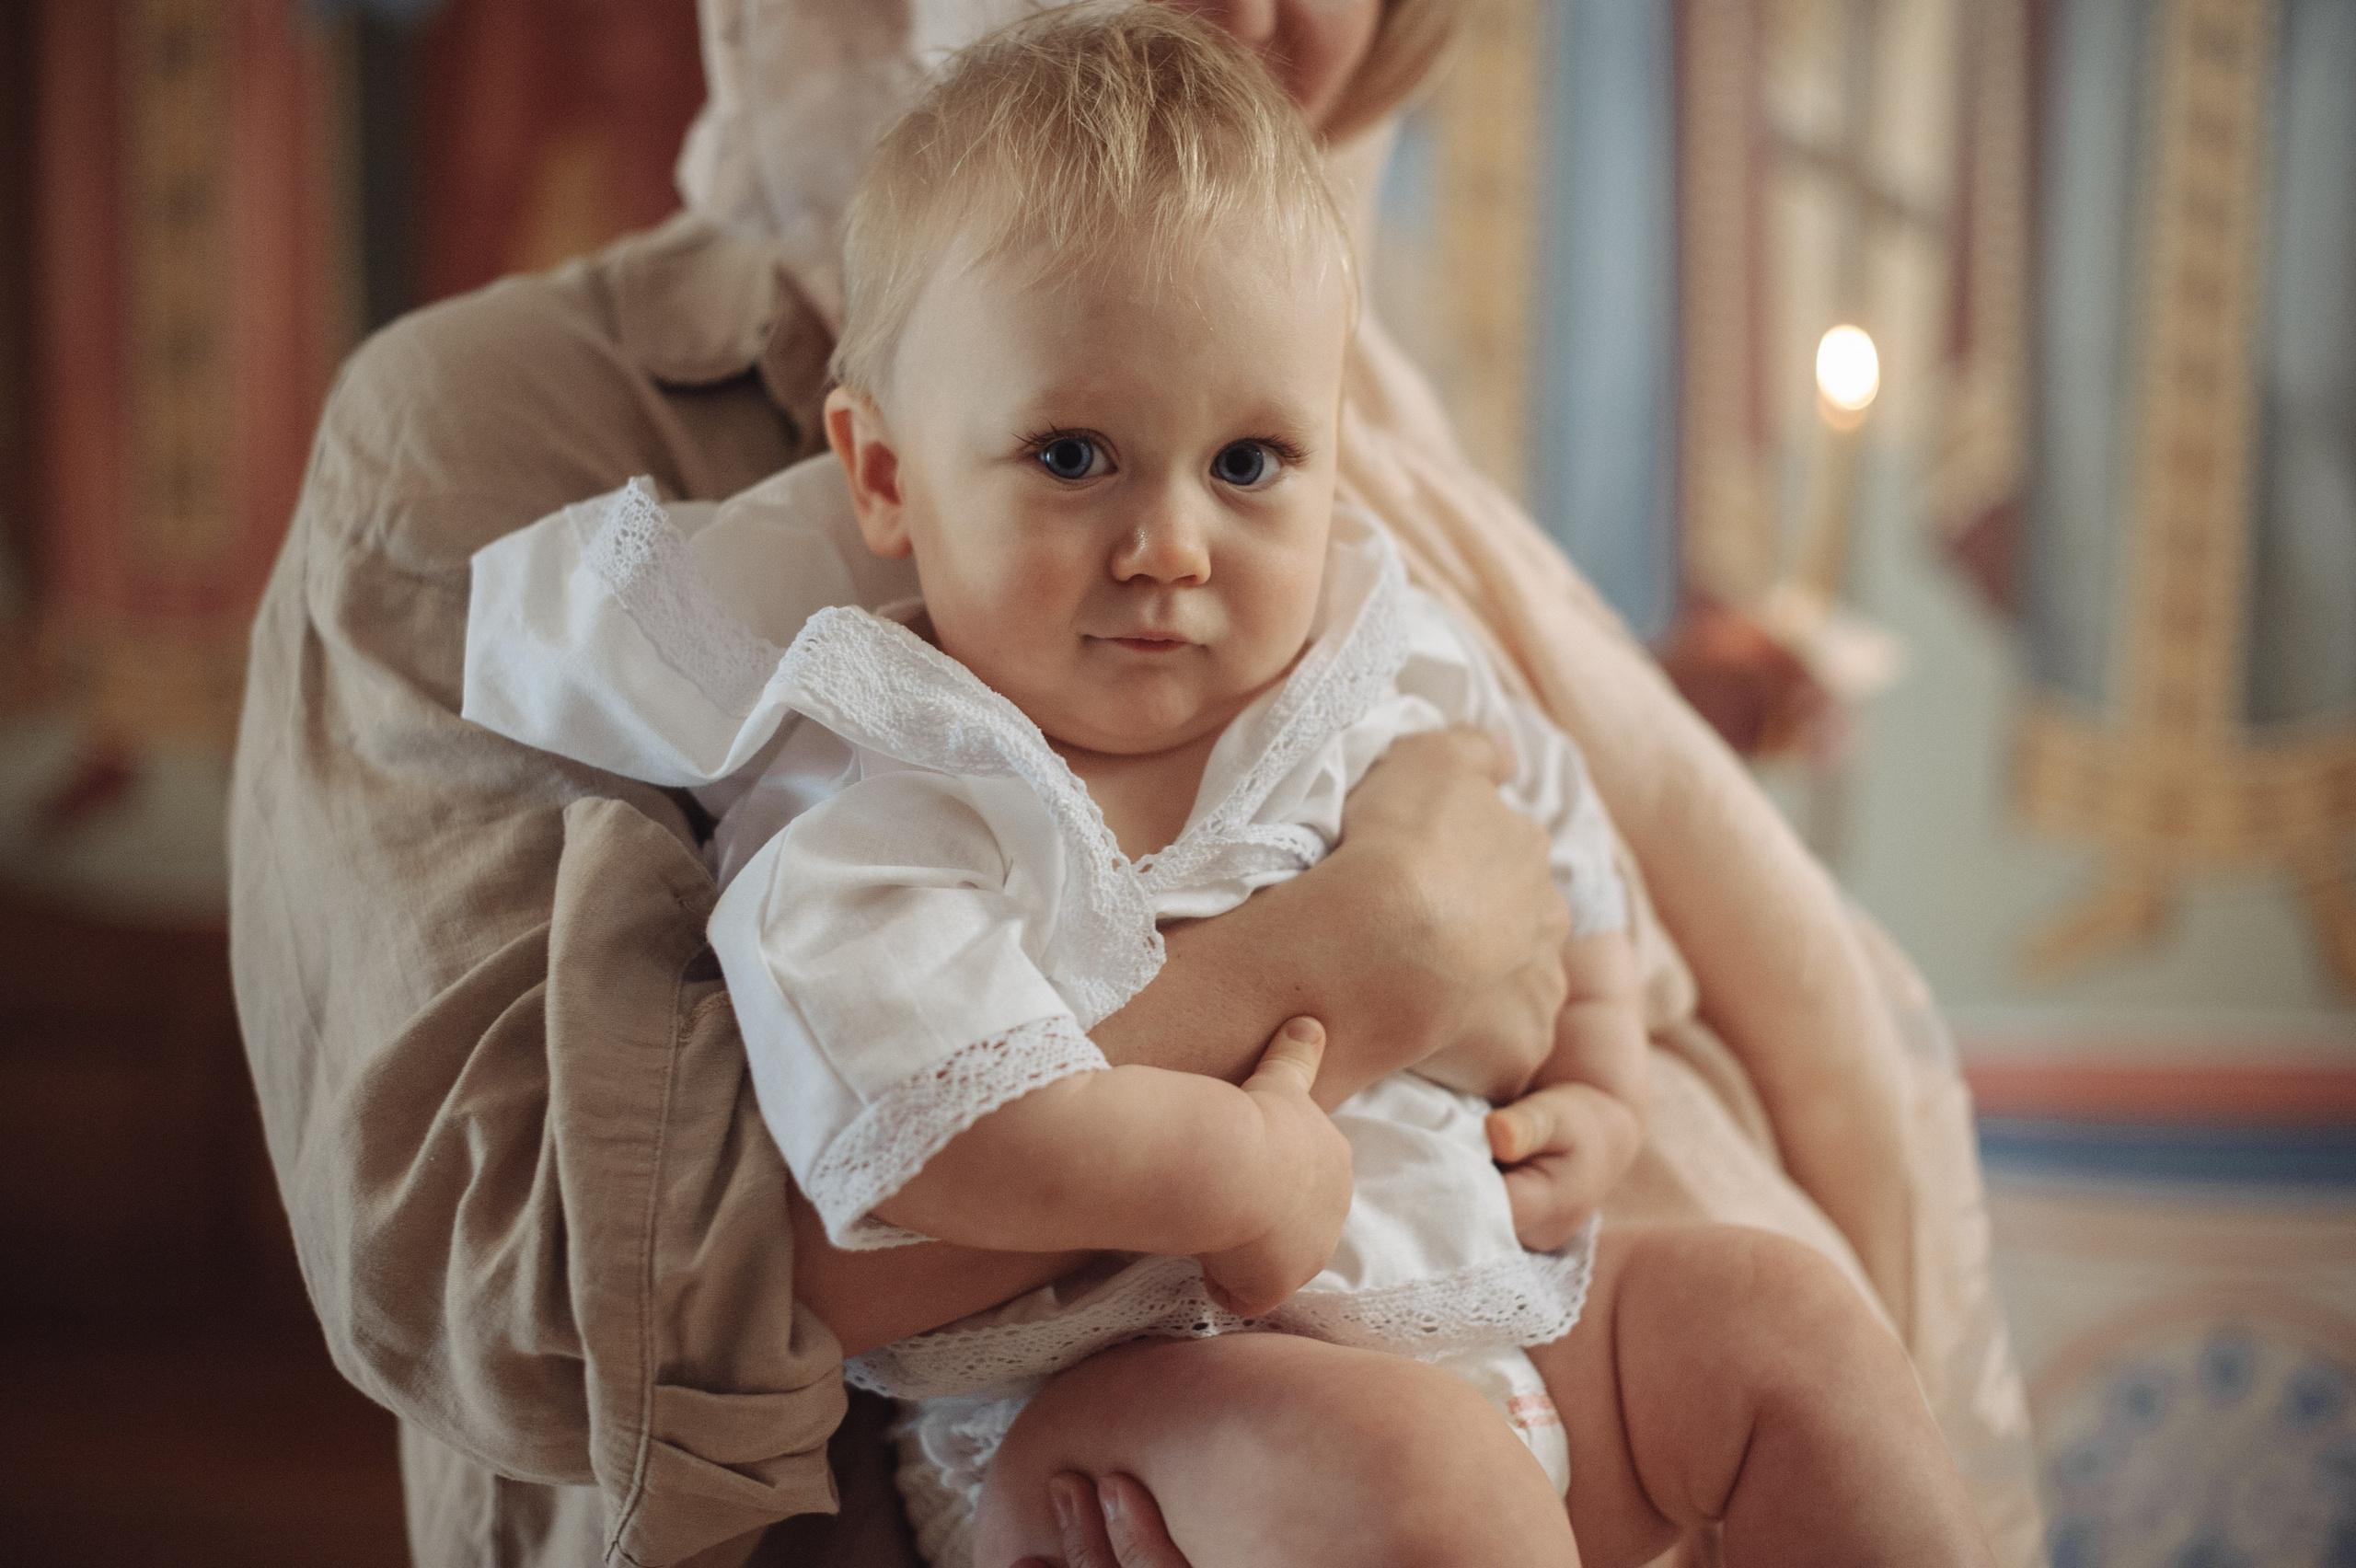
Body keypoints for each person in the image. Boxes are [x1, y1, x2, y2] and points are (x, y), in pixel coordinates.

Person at [227, 1, 2042, 1563]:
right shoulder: (864, 717)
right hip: (1121, 1401)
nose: (1172, 543)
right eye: (1072, 454)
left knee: (1787, 1325)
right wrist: (1347, 963)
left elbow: (1564, 872)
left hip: (1492, 1297)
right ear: (881, 473)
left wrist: (1599, 1082)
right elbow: (552, 1273)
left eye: (1251, 458)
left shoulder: (1369, 527)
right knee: (1424, 1488)